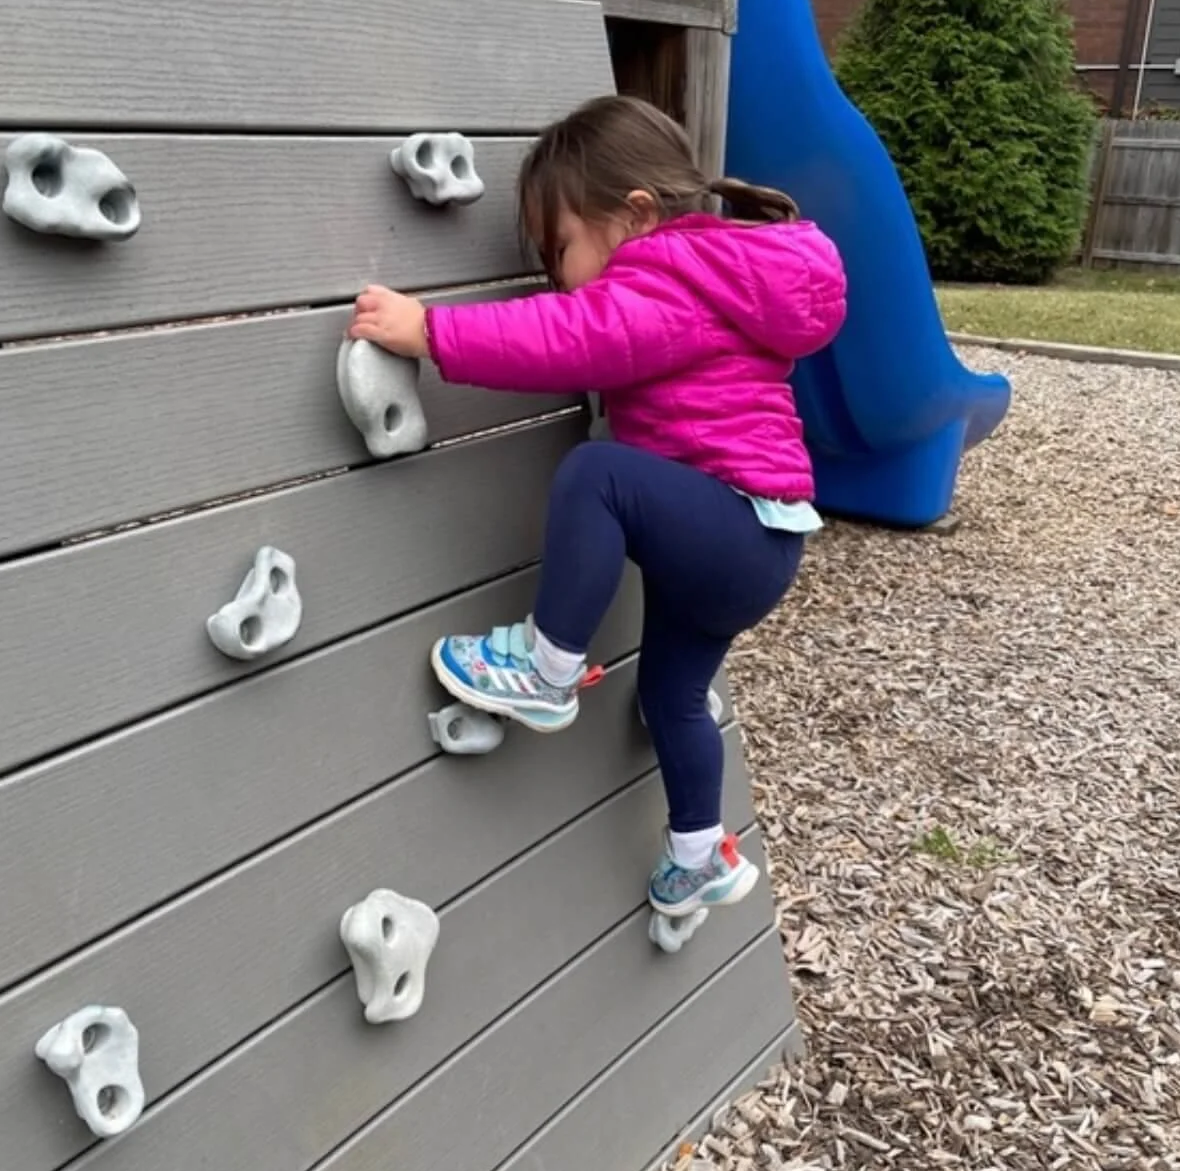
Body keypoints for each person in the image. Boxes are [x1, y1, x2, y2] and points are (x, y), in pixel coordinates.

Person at [348, 94, 847, 921]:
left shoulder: (666, 276)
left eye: (562, 248)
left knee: (597, 475)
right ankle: (697, 857)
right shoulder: (722, 275)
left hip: (730, 525)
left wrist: (431, 332)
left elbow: (564, 336)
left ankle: (545, 672)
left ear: (636, 215)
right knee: (672, 698)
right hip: (756, 545)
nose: (557, 274)